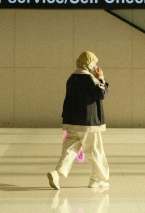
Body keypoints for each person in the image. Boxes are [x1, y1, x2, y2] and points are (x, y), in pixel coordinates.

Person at [47, 51, 110, 190]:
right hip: (87, 123)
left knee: (70, 150)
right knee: (95, 150)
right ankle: (97, 179)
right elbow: (101, 93)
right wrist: (101, 78)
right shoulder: (89, 79)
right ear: (89, 64)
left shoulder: (71, 78)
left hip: (71, 121)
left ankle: (56, 174)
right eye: (94, 63)